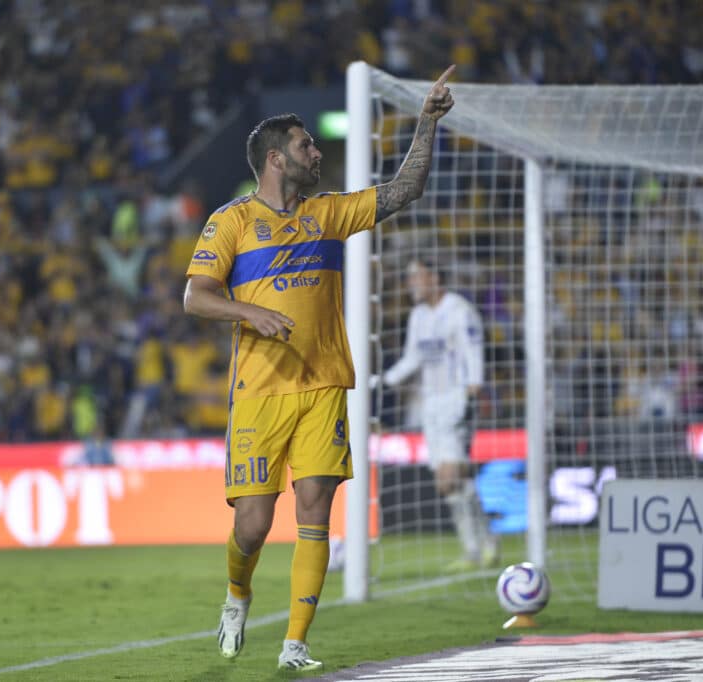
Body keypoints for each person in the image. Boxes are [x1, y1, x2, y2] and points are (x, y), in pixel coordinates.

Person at [183, 66, 456, 671]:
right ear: (277, 158)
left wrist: (428, 123)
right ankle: (237, 595)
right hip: (259, 390)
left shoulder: (329, 213)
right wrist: (251, 313)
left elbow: (404, 188)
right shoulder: (230, 222)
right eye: (307, 144)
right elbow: (196, 297)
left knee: (315, 509)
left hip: (325, 383)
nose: (318, 151)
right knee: (252, 527)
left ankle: (295, 644)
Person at [378, 257, 498, 571]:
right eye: (408, 278)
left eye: (416, 276)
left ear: (434, 277)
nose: (410, 284)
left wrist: (473, 394)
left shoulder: (460, 311)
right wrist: (381, 382)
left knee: (449, 479)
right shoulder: (418, 315)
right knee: (452, 484)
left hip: (458, 399)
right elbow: (412, 359)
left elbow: (474, 354)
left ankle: (479, 547)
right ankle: (482, 545)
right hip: (430, 404)